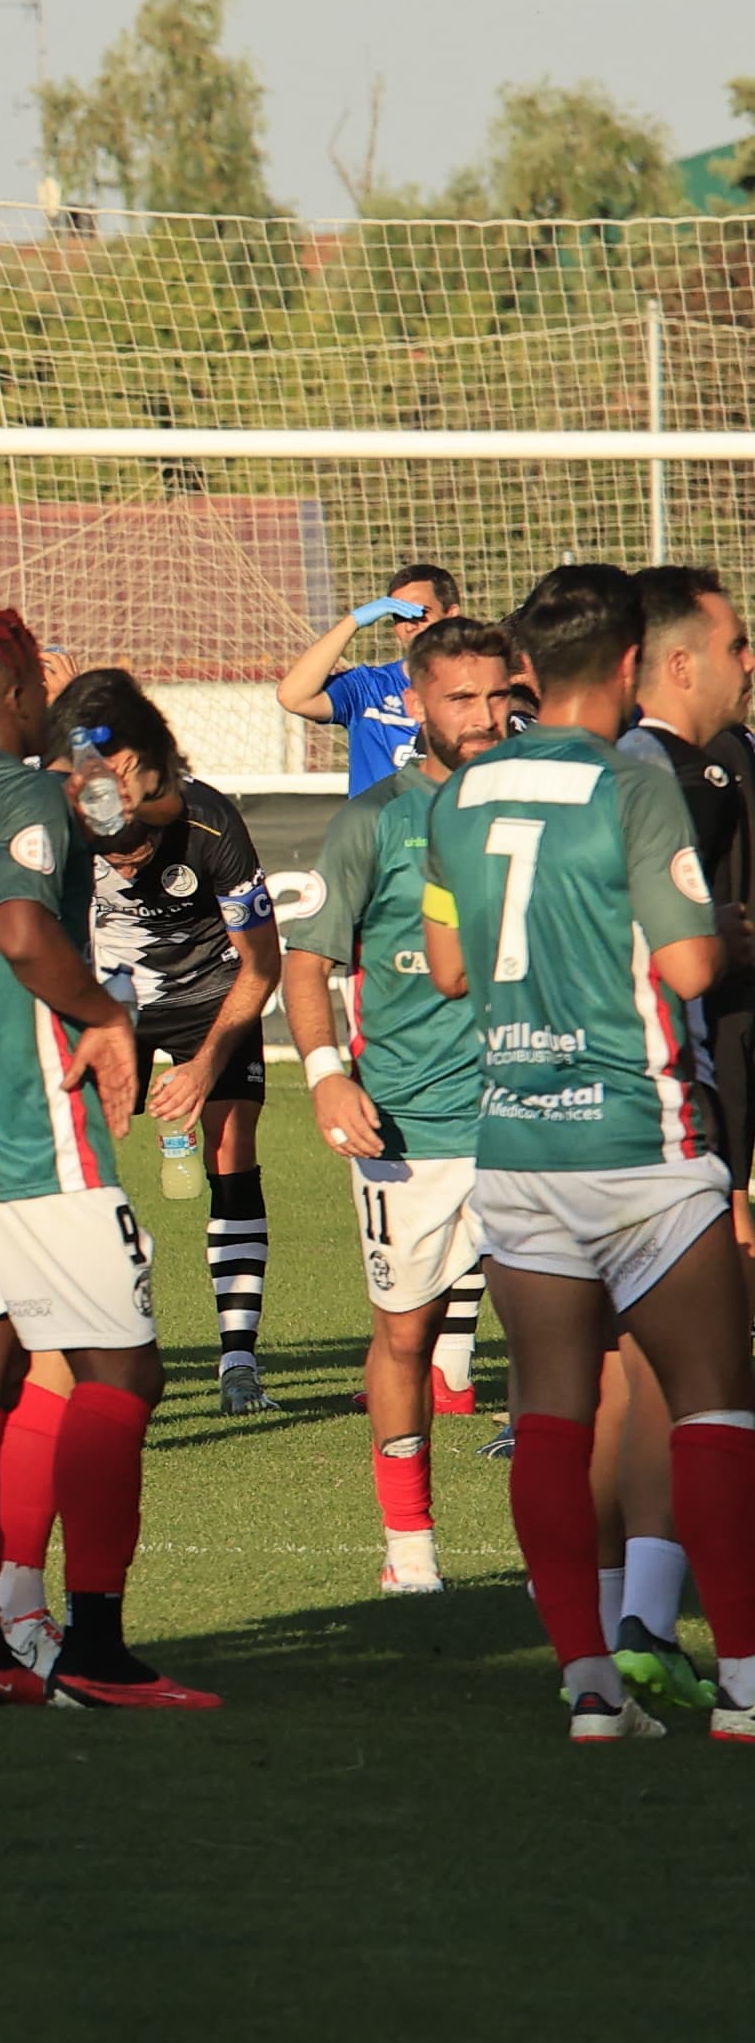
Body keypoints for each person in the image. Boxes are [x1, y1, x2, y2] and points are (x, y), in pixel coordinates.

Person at [417, 562, 755, 1744]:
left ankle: (588, 1686)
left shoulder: (455, 796)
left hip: (516, 1143)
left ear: (523, 669)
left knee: (554, 1412)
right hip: (641, 1139)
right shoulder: (632, 781)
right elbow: (692, 970)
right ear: (626, 667)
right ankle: (749, 1687)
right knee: (714, 1403)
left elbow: (451, 969)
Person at [0, 605, 213, 1709]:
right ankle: (98, 1655)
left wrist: (108, 776)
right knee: (123, 1369)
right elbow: (19, 928)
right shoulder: (16, 789)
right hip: (29, 1117)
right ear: (13, 686)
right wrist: (104, 1014)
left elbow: (105, 821)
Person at [280, 614, 516, 1593]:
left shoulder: (550, 802)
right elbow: (307, 963)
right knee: (404, 1336)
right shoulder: (375, 817)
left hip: (535, 1115)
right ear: (413, 703)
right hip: (409, 1123)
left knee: (562, 1340)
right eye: (461, 697)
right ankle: (409, 1547)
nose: (484, 715)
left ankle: (570, 1551)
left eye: (501, 693)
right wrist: (327, 1072)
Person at [46, 669, 285, 1416]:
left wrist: (204, 1066)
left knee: (230, 1154)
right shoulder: (61, 823)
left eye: (132, 850)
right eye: (106, 854)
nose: (120, 863)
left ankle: (239, 1362)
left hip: (209, 995)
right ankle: (81, 1349)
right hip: (106, 999)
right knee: (75, 1165)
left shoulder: (211, 827)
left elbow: (264, 966)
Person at [600, 566, 755, 1700]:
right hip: (686, 1098)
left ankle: (614, 1623)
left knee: (604, 1373)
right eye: (737, 643)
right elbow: (691, 955)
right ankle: (657, 1624)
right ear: (676, 658)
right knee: (698, 1375)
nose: (750, 664)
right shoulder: (671, 776)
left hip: (582, 1112)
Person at [276, 563, 463, 794]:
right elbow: (292, 697)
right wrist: (353, 621)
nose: (409, 624)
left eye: (419, 612)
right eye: (399, 615)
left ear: (451, 615)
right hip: (375, 829)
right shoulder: (368, 687)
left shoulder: (478, 690)